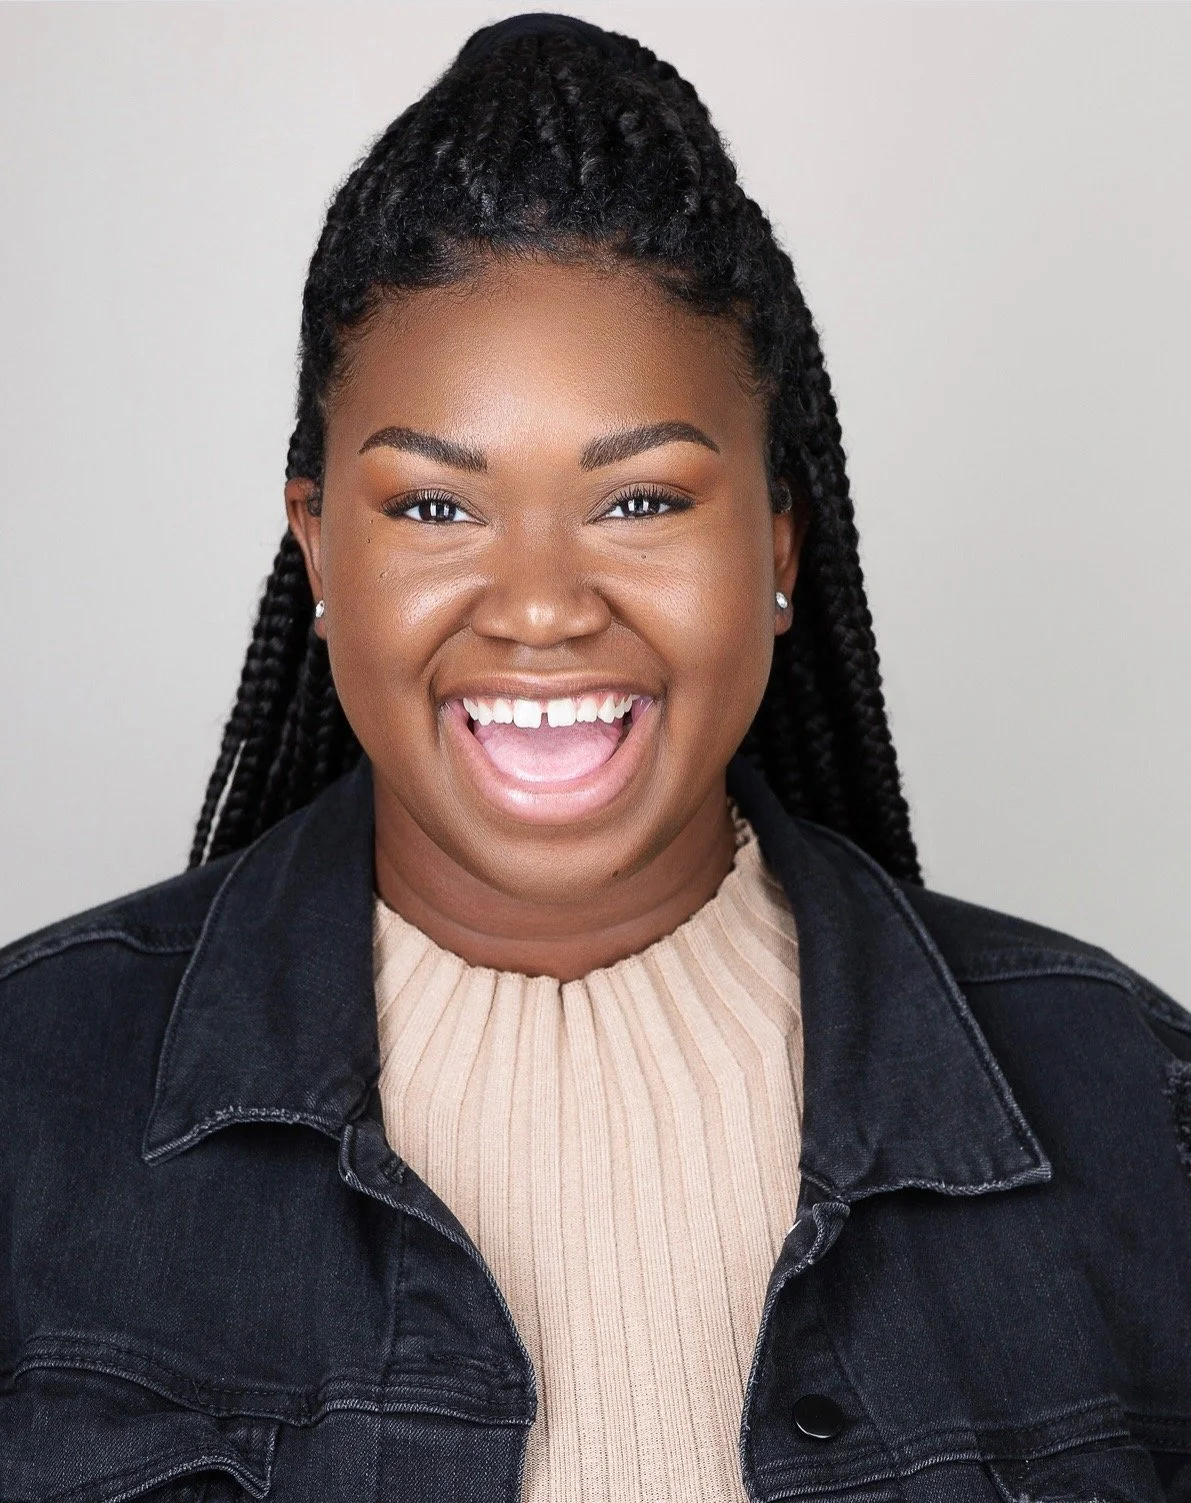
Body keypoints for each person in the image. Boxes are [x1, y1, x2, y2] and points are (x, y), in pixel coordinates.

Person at [1, 12, 1188, 1502]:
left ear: (775, 542)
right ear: (317, 545)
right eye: (434, 508)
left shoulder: (1132, 1106)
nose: (545, 606)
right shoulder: (29, 1097)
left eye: (639, 502)